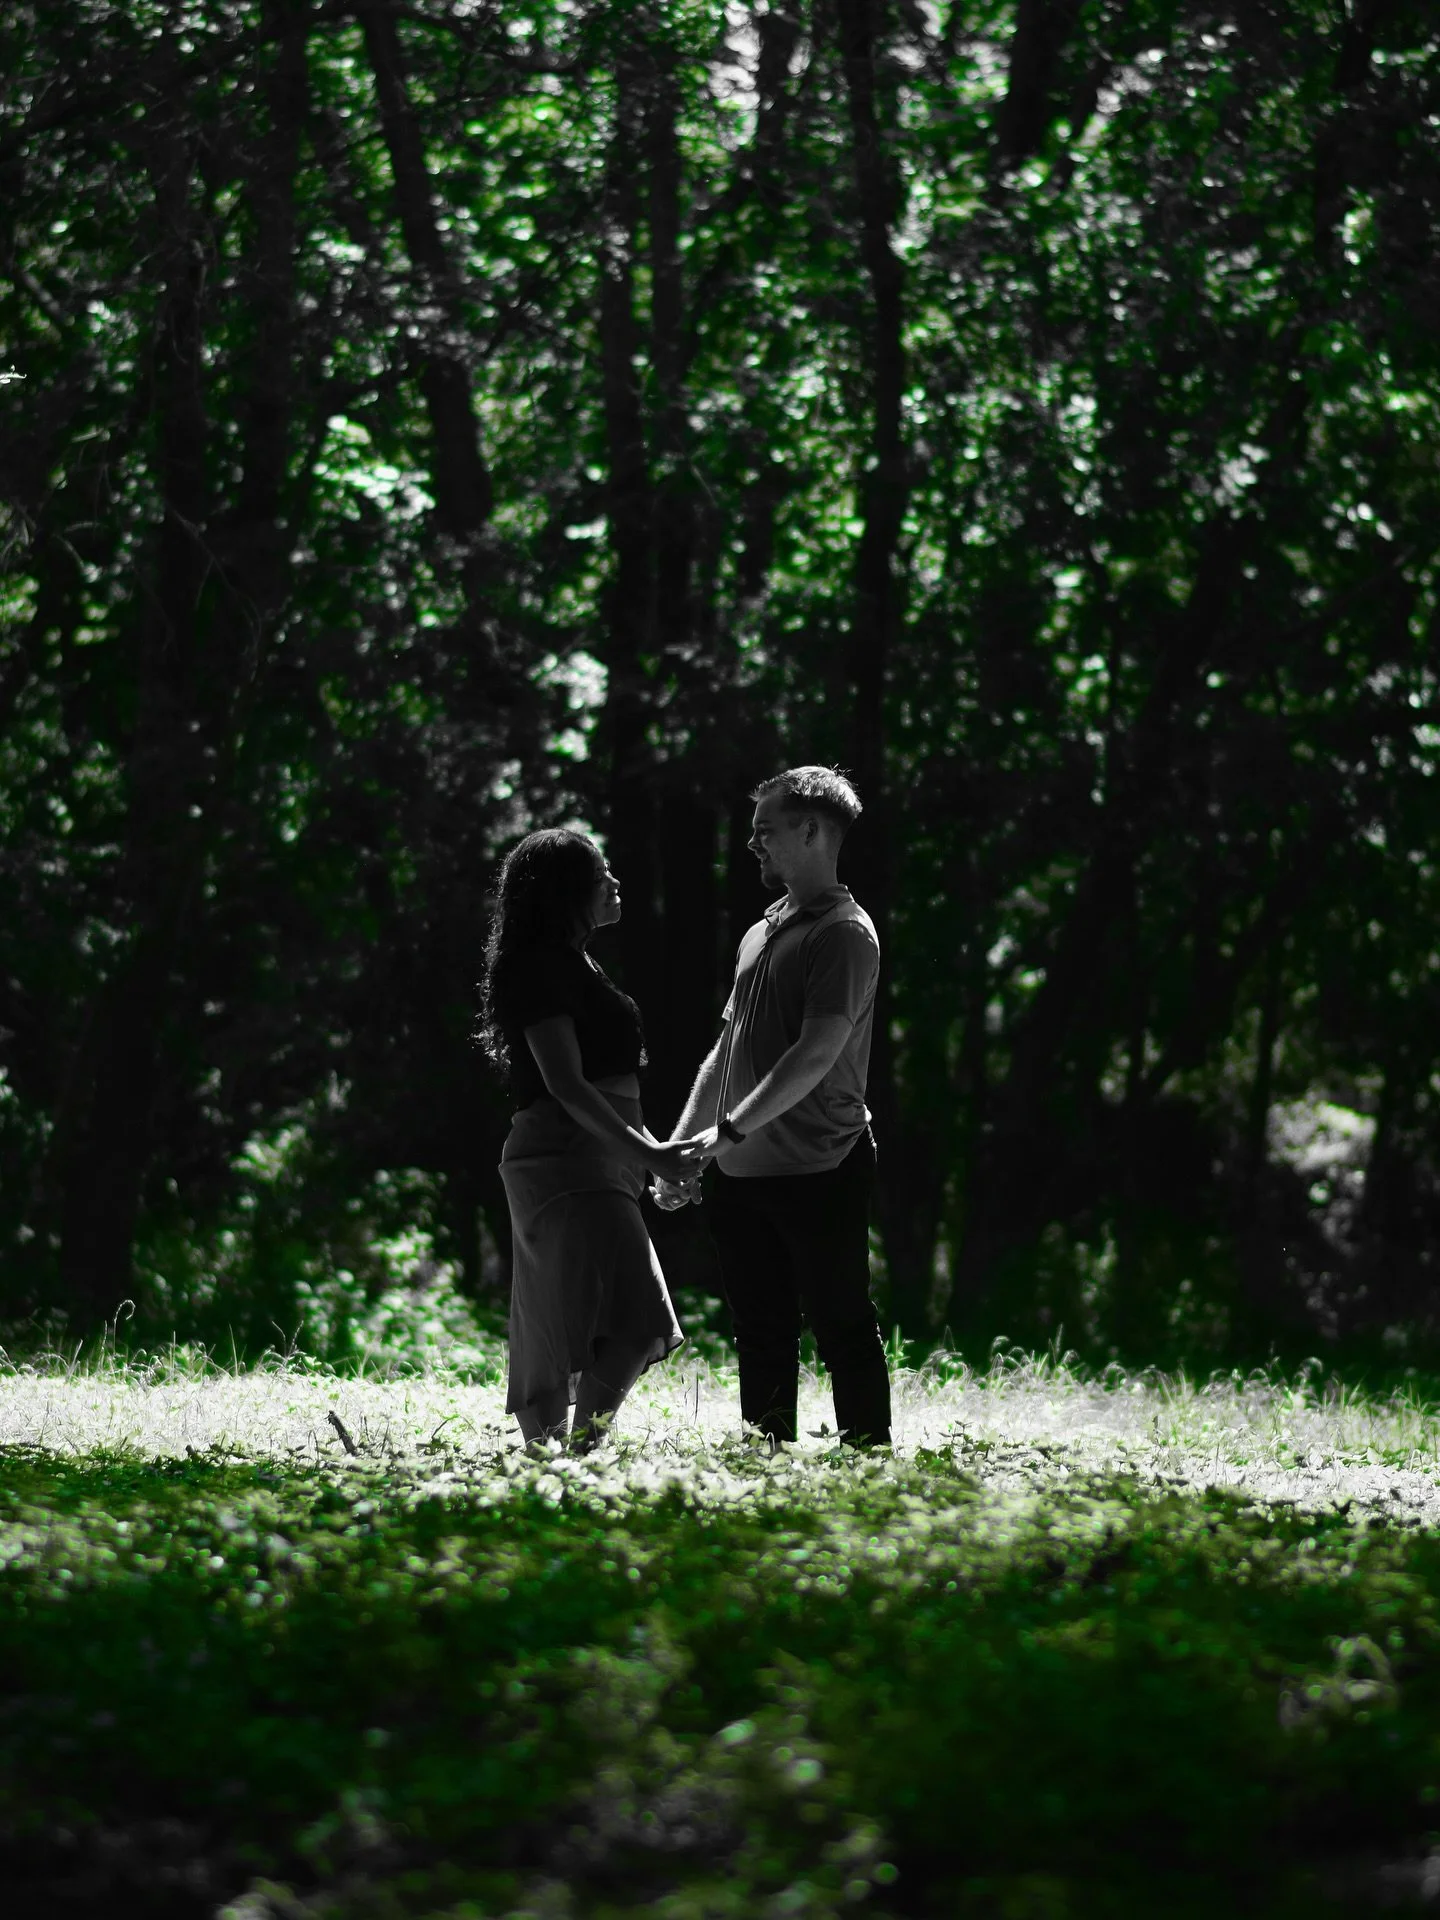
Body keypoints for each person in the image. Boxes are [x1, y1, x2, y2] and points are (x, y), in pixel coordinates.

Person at [657, 767, 892, 1448]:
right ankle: (765, 1461)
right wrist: (682, 1150)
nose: (752, 844)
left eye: (766, 830)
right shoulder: (763, 931)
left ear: (813, 831)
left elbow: (814, 1055)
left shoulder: (846, 933)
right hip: (741, 1167)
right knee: (759, 1327)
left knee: (840, 1320)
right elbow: (726, 1051)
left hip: (823, 1164)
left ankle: (868, 1461)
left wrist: (724, 1135)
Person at [478, 829, 702, 1450]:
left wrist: (654, 1156)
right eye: (602, 874)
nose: (615, 883)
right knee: (633, 1313)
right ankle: (577, 1455)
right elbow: (569, 1087)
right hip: (564, 1159)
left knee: (600, 1310)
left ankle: (568, 1458)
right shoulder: (541, 970)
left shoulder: (577, 965)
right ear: (565, 891)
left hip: (601, 1160)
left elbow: (610, 1088)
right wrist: (651, 1153)